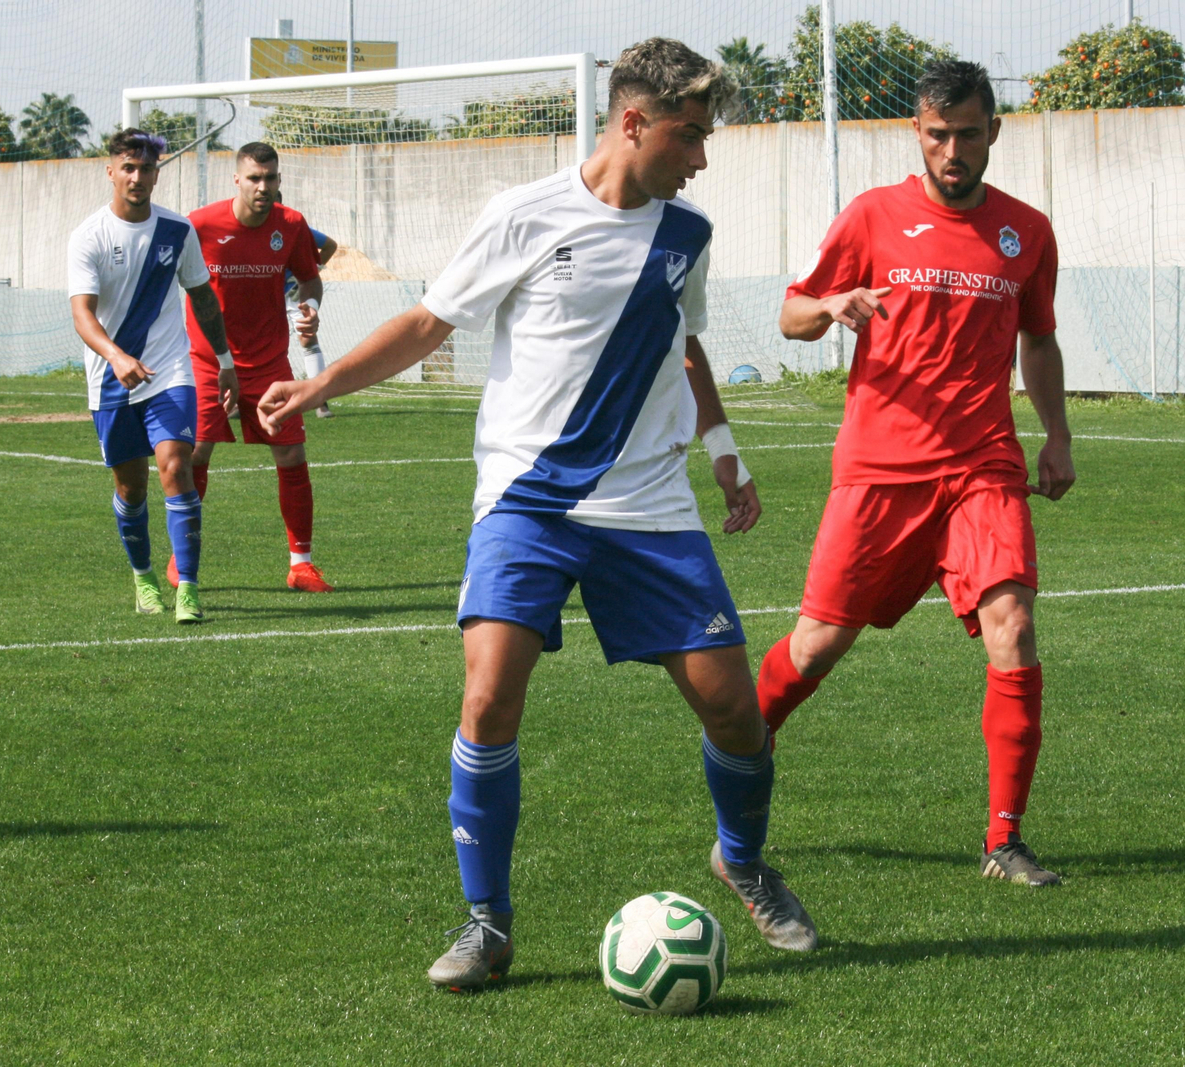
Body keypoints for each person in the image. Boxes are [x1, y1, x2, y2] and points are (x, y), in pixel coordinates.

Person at [259, 37, 818, 989]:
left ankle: (743, 859)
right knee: (488, 694)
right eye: (689, 135)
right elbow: (429, 322)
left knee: (734, 708)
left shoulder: (688, 234)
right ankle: (488, 923)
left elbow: (685, 345)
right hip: (528, 497)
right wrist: (321, 386)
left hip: (648, 504)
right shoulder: (523, 214)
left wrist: (726, 453)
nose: (701, 157)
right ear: (633, 122)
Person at [761, 59, 1076, 887]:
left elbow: (1039, 340)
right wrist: (830, 305)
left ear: (993, 131)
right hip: (881, 468)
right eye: (938, 135)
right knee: (817, 647)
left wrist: (1057, 435)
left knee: (1013, 625)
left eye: (968, 135)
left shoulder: (1026, 231)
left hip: (983, 465)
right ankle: (739, 740)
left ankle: (1005, 839)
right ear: (917, 132)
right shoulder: (872, 216)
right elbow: (792, 313)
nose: (952, 152)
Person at [67, 127, 232, 625]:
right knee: (131, 488)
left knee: (177, 467)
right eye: (129, 168)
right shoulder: (89, 236)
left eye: (146, 169)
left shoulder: (178, 230)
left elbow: (202, 297)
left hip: (169, 370)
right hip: (111, 378)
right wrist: (117, 357)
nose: (137, 177)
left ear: (157, 174)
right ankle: (143, 578)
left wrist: (225, 362)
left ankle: (189, 590)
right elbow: (82, 314)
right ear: (111, 171)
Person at [177, 142, 333, 593]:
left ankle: (301, 566)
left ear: (279, 180)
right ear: (237, 180)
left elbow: (310, 278)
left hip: (269, 363)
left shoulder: (292, 224)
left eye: (270, 178)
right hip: (207, 361)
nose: (263, 186)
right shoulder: (199, 225)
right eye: (254, 178)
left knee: (292, 455)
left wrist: (309, 306)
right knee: (195, 454)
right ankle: (181, 557)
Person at [275, 190, 339, 418]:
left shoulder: (295, 228)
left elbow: (330, 245)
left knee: (308, 337)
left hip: (293, 292)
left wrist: (311, 270)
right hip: (263, 295)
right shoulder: (249, 230)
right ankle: (239, 400)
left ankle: (319, 400)